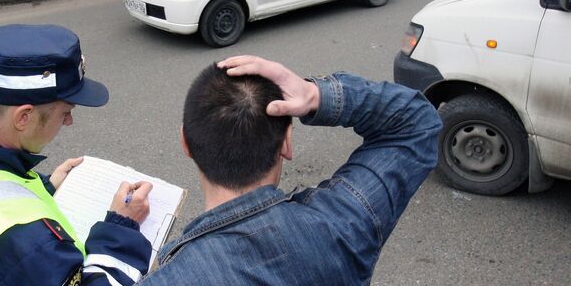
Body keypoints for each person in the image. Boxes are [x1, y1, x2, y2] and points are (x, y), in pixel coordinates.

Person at [138, 55, 443, 285]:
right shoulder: (342, 225)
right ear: (286, 142)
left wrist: (113, 245)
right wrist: (314, 95)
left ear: (185, 142)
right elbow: (416, 123)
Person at [0, 24, 152, 286]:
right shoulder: (26, 244)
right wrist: (122, 228)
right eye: (65, 112)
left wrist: (46, 187)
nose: (69, 122)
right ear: (24, 117)